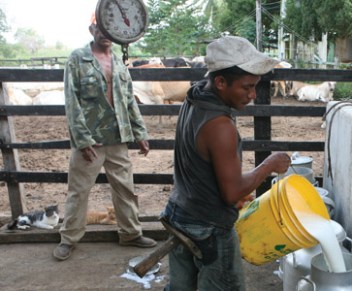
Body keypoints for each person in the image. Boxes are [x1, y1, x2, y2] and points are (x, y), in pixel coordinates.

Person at [160, 36, 291, 290]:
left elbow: (205, 166)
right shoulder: (220, 126)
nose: (253, 95)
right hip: (209, 227)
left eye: (256, 86)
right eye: (246, 87)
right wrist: (269, 165)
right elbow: (231, 193)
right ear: (220, 82)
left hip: (179, 212)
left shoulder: (195, 96)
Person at [53, 14, 157, 261]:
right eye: (100, 28)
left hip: (118, 138)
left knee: (125, 189)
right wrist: (82, 138)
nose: (105, 34)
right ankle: (69, 239)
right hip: (91, 141)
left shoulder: (119, 62)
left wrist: (140, 132)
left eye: (110, 29)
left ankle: (131, 234)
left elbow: (129, 99)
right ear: (92, 29)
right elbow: (71, 101)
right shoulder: (78, 59)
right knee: (79, 191)